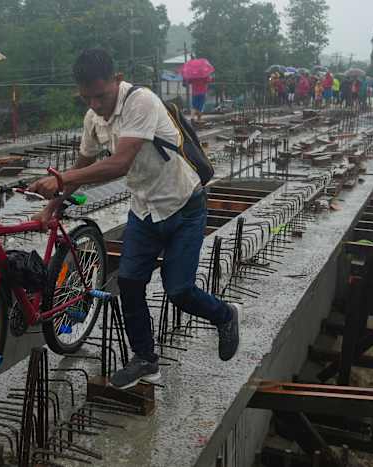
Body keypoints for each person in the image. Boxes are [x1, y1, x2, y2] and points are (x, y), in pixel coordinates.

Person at [28, 49, 240, 389]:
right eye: (87, 98)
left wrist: (60, 178)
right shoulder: (92, 118)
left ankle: (225, 315)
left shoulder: (141, 102)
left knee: (179, 289)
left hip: (184, 207)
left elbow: (120, 163)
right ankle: (145, 359)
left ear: (117, 79)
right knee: (128, 282)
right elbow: (84, 166)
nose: (96, 104)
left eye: (101, 95)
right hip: (144, 209)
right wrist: (54, 205)